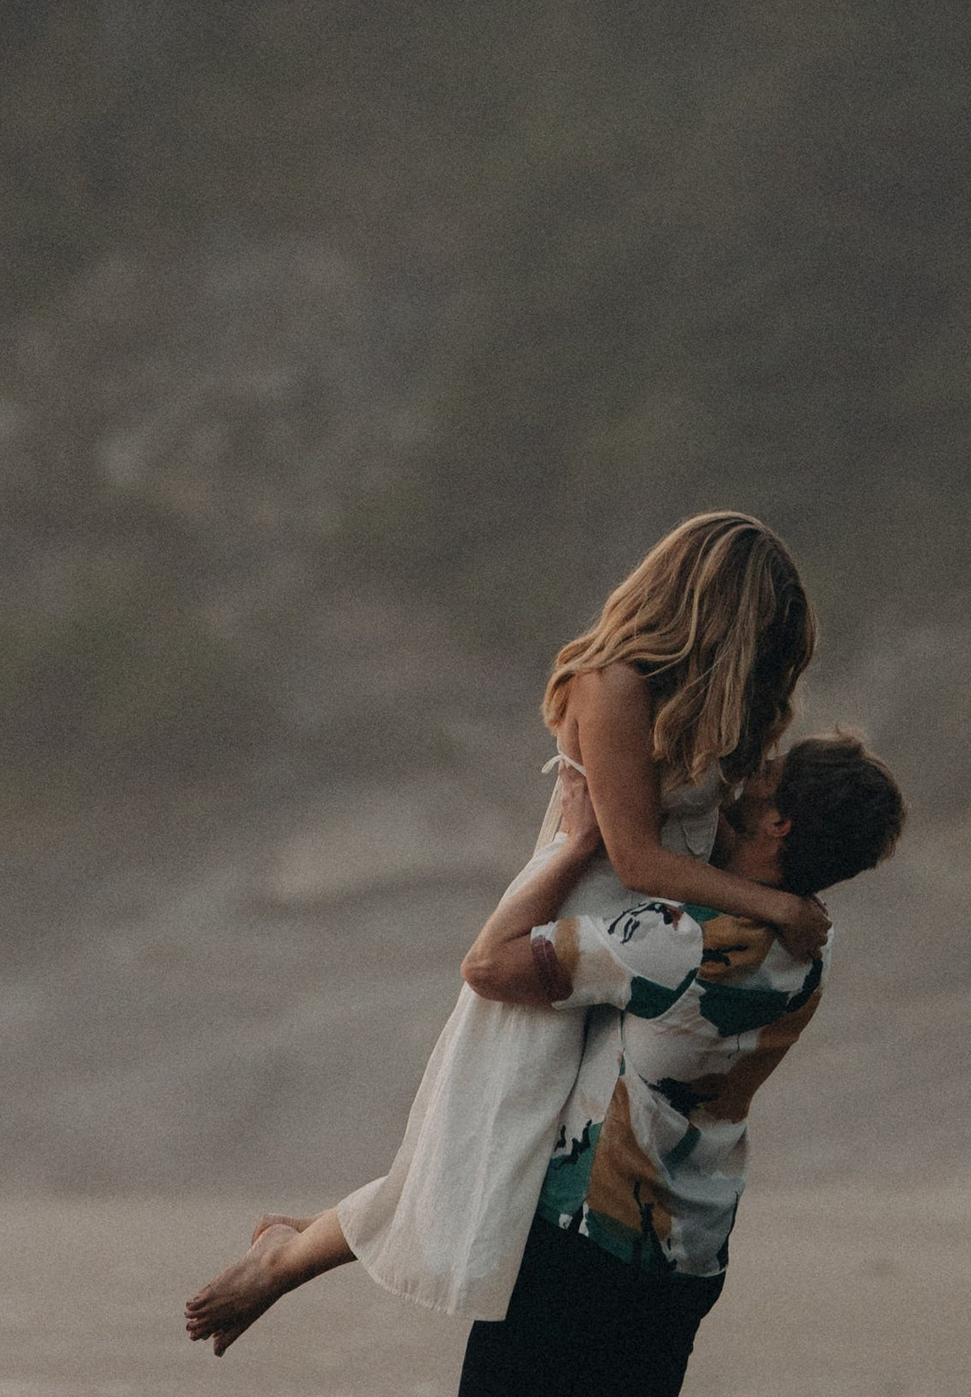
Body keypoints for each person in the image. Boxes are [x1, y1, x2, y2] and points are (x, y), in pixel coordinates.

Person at [194, 729, 909, 1397]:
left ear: (777, 829)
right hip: (690, 1249)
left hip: (586, 1238)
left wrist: (569, 847)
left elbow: (490, 967)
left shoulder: (672, 939)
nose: (731, 794)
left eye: (752, 789)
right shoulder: (802, 947)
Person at [184, 514, 825, 1345]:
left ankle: (293, 1253)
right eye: (763, 634)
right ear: (719, 613)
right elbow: (632, 855)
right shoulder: (615, 683)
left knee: (550, 1157)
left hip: (654, 944)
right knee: (483, 1149)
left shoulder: (712, 704)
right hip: (573, 916)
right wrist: (775, 909)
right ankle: (283, 1260)